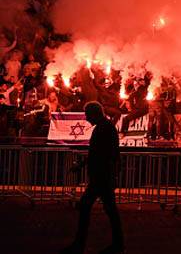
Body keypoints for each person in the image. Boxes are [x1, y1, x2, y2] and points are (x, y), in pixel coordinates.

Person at [62, 102, 124, 254]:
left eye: (88, 115)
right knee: (109, 210)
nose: (87, 119)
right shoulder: (106, 127)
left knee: (89, 207)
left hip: (101, 177)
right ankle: (116, 245)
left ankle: (80, 244)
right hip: (103, 176)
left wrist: (82, 166)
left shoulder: (103, 129)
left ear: (95, 114)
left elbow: (98, 154)